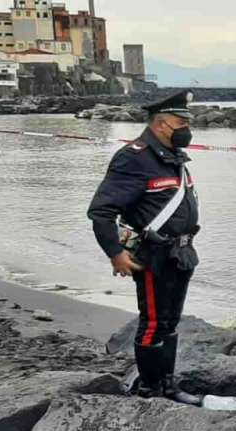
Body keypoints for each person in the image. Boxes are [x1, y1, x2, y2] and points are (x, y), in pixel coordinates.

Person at [87, 90, 201, 405]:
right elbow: (101, 211)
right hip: (153, 255)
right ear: (162, 124)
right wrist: (115, 253)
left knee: (170, 322)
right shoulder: (133, 158)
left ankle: (168, 386)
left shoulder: (173, 158)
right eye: (181, 122)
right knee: (152, 323)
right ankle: (151, 389)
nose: (186, 129)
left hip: (181, 253)